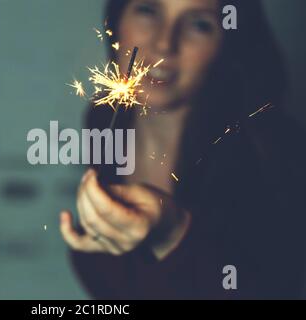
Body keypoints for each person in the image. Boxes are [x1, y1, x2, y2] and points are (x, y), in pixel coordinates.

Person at [59, 0, 306, 299]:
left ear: (228, 40)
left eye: (199, 24)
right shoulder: (103, 120)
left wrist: (174, 234)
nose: (164, 44)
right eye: (148, 9)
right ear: (115, 18)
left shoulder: (275, 151)